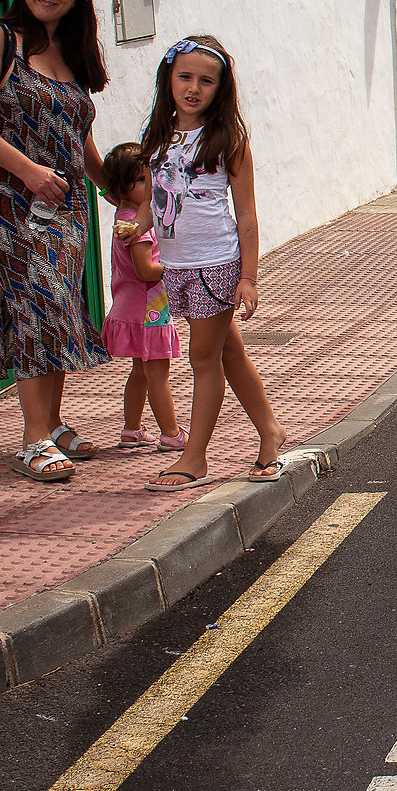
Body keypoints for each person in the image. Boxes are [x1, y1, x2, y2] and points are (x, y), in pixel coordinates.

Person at [0, 0, 110, 484]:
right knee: (33, 307)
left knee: (58, 308)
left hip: (64, 209)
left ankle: (54, 423)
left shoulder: (72, 52)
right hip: (9, 205)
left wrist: (110, 185)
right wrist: (28, 173)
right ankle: (31, 438)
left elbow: (77, 134)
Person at [141, 36, 288, 489]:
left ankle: (195, 458)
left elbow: (246, 215)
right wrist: (136, 224)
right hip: (177, 267)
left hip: (216, 266)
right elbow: (155, 196)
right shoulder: (159, 137)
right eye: (184, 76)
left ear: (220, 89)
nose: (193, 88)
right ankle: (270, 432)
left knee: (204, 360)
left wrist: (249, 278)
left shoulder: (228, 140)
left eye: (206, 80)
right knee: (229, 351)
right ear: (169, 78)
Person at [100, 142, 185, 451]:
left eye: (148, 178)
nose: (148, 185)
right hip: (149, 310)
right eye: (139, 180)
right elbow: (146, 270)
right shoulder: (135, 224)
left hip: (132, 307)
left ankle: (132, 430)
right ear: (123, 187)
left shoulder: (122, 215)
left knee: (141, 373)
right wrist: (174, 267)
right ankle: (172, 434)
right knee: (158, 375)